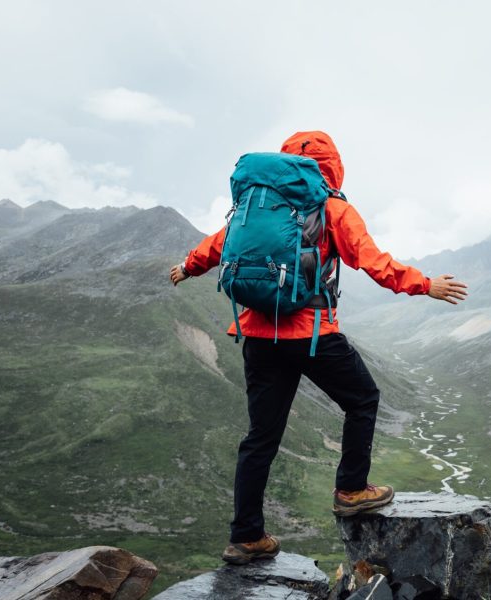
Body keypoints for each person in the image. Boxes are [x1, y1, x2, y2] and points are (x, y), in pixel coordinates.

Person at [169, 131, 468, 565]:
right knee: (363, 398)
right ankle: (350, 490)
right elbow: (372, 261)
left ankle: (245, 536)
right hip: (311, 335)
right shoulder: (333, 209)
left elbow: (217, 245)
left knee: (261, 437)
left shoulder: (258, 204)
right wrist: (426, 285)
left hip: (257, 335)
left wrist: (185, 267)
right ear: (333, 165)